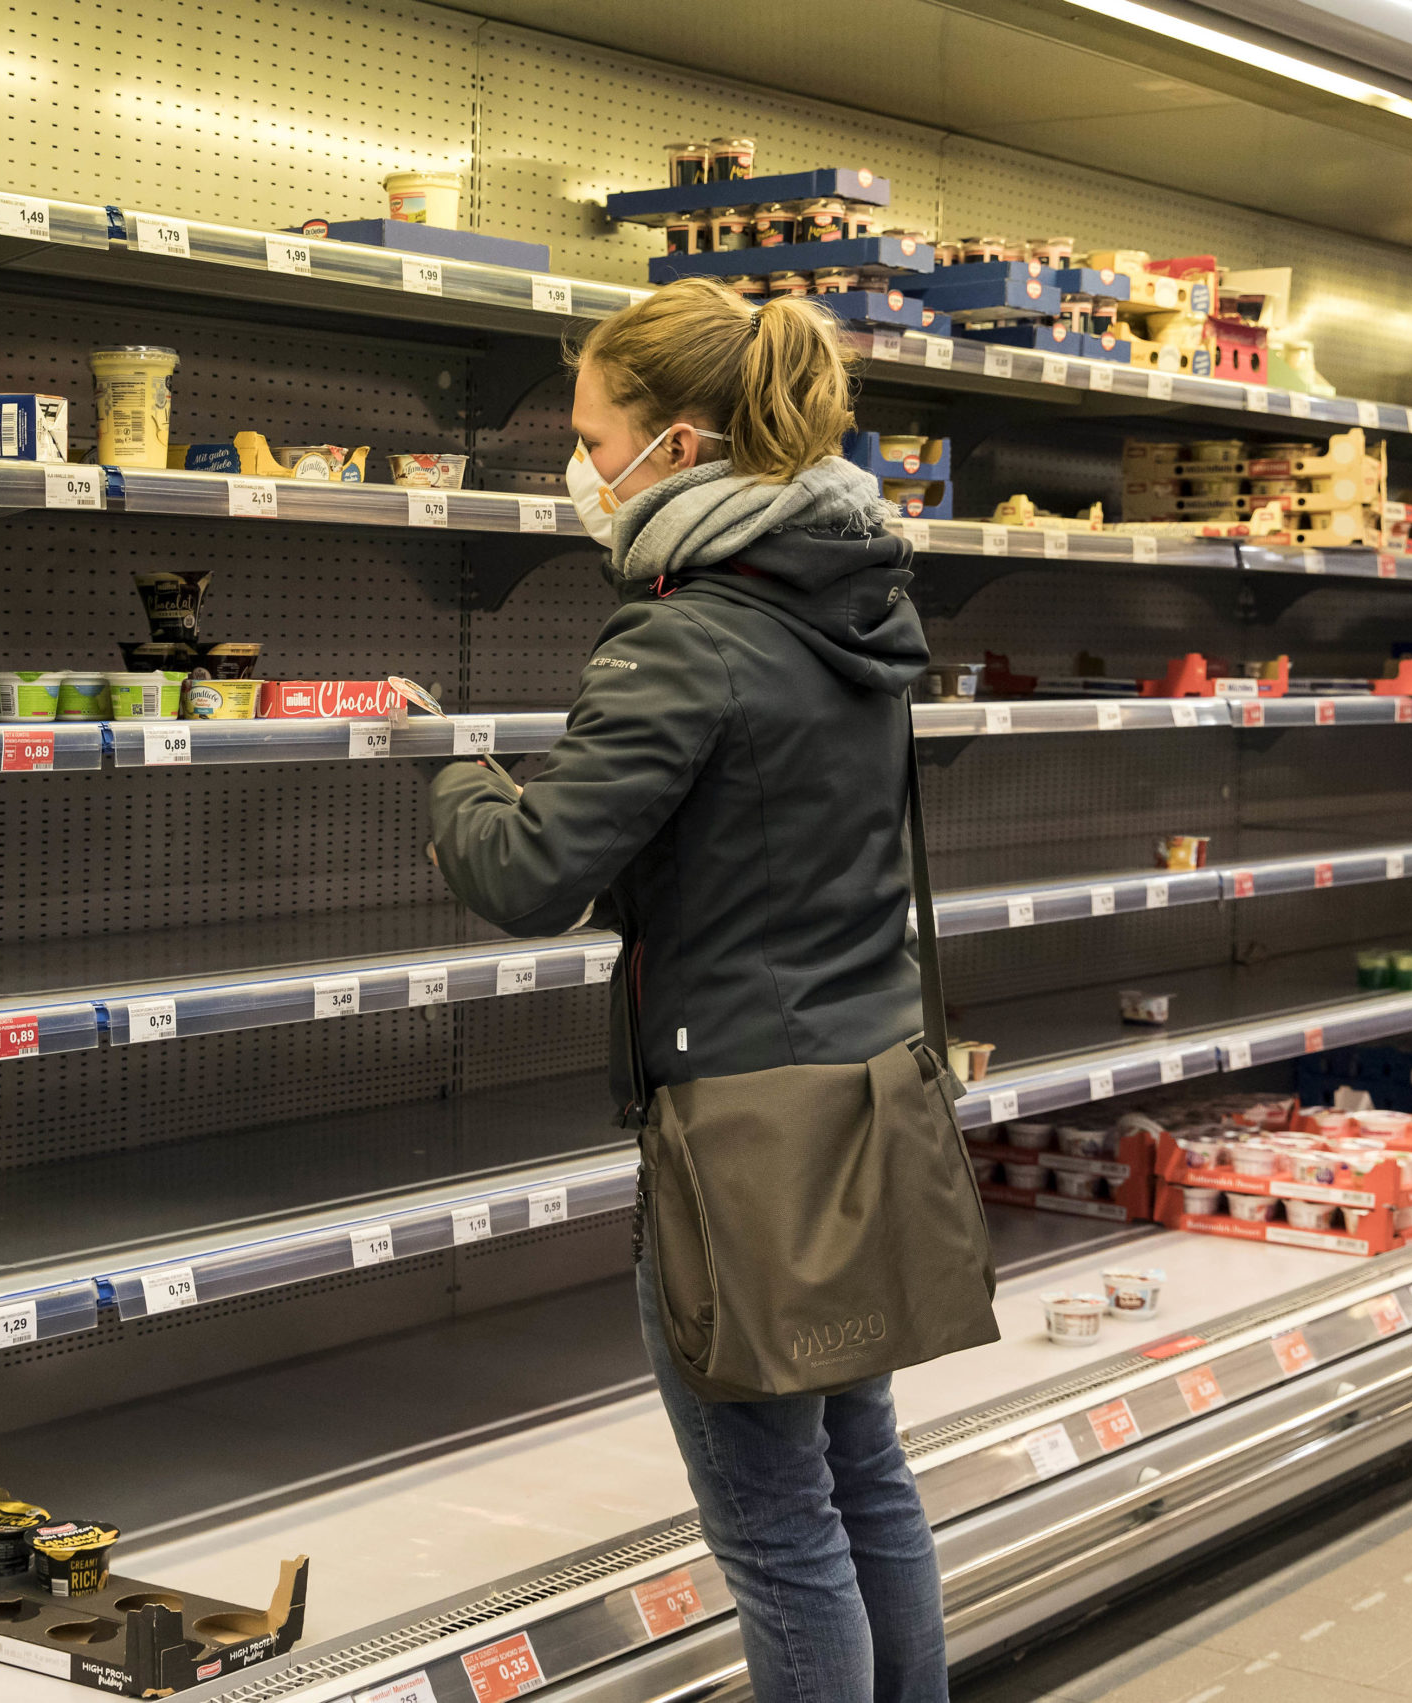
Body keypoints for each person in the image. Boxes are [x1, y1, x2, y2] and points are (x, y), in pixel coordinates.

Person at [424, 278, 947, 1703]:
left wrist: (446, 768)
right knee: (866, 1477)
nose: (581, 475)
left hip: (745, 1132)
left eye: (595, 444)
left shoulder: (684, 635)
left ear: (686, 445)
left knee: (778, 1531)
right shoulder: (855, 607)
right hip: (869, 1081)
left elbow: (531, 870)